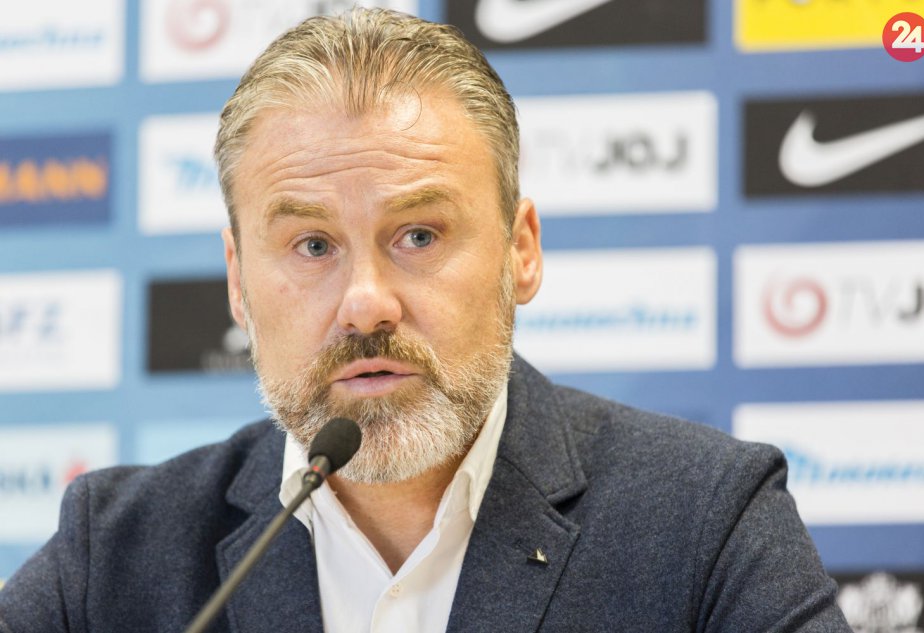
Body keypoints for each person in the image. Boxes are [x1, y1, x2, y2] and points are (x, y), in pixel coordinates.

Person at [0, 8, 852, 632]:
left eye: (418, 235)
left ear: (521, 250)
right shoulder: (113, 556)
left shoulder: (703, 520)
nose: (366, 301)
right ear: (237, 281)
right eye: (311, 245)